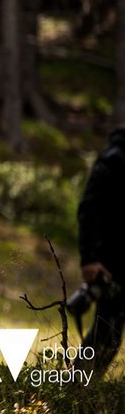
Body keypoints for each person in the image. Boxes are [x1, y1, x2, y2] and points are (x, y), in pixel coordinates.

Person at [75, 123, 125, 376]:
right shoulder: (115, 158)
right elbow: (88, 209)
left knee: (111, 337)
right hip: (111, 264)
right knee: (106, 334)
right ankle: (75, 393)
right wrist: (89, 259)